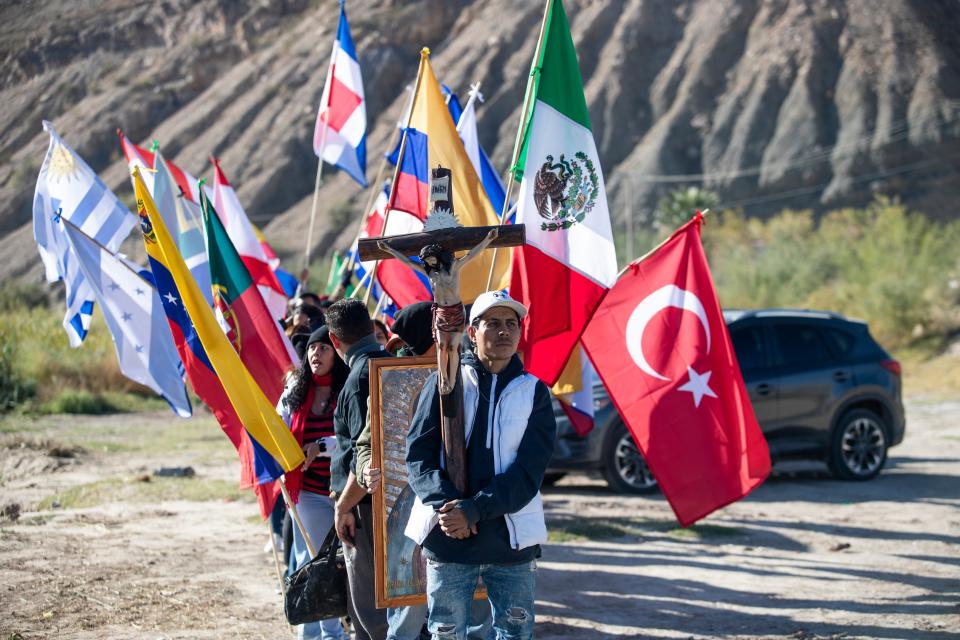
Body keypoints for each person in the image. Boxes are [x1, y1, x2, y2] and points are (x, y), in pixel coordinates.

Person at [405, 291, 557, 640]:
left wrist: (475, 509)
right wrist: (450, 508)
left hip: (510, 539)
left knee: (514, 632)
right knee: (446, 633)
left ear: (520, 333)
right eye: (492, 323)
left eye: (510, 324)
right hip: (449, 534)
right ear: (472, 333)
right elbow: (418, 454)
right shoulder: (446, 383)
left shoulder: (534, 392)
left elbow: (528, 473)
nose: (503, 331)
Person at [357, 301, 493, 640]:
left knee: (477, 611)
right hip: (414, 507)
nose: (450, 338)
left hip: (474, 506)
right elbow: (366, 445)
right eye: (440, 331)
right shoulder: (392, 379)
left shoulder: (480, 377)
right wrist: (366, 471)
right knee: (409, 605)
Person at [276, 326, 350, 640]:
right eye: (311, 349)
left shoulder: (348, 390)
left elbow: (352, 439)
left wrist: (321, 445)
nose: (315, 355)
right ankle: (324, 635)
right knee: (317, 562)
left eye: (323, 349)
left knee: (344, 563)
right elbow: (276, 430)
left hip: (347, 492)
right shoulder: (295, 392)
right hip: (309, 493)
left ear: (336, 352)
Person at [325, 298, 391, 640]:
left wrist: (344, 505)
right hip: (395, 501)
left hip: (364, 506)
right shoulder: (390, 363)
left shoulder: (357, 379)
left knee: (370, 608)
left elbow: (364, 453)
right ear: (370, 327)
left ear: (335, 341)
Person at [377, 228, 498, 396]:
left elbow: (471, 255)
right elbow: (408, 262)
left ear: (436, 255)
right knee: (441, 346)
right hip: (440, 312)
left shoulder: (453, 267)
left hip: (455, 311)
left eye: (430, 258)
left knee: (453, 348)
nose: (429, 261)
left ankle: (452, 380)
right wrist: (390, 250)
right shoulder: (429, 273)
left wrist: (487, 240)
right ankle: (444, 379)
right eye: (426, 260)